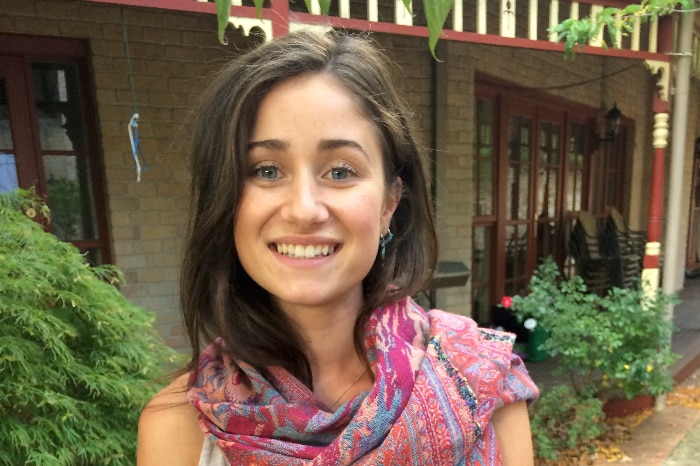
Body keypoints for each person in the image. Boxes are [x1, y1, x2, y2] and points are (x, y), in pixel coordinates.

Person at [137, 30, 538, 466]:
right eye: (267, 170)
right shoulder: (178, 428)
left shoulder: (482, 382)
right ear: (225, 199)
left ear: (390, 202)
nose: (304, 210)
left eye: (341, 171)